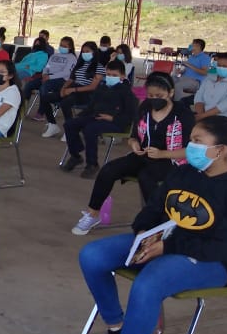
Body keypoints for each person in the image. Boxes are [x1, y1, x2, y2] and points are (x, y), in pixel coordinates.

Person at [73, 116, 227, 334]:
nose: (190, 147)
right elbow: (153, 209)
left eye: (198, 141)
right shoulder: (184, 173)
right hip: (165, 243)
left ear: (221, 150)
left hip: (214, 262)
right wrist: (147, 232)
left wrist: (168, 247)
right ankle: (117, 329)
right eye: (191, 140)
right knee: (93, 255)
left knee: (150, 282)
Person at [71, 72, 194, 235]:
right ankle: (92, 214)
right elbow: (134, 136)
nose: (154, 99)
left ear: (171, 93)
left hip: (170, 160)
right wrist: (134, 143)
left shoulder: (183, 114)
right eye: (150, 95)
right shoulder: (145, 108)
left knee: (146, 177)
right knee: (109, 170)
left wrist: (162, 154)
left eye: (159, 95)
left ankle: (158, 224)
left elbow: (190, 150)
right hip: (143, 155)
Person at [62, 59, 139, 179]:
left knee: (90, 129)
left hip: (116, 122)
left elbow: (131, 115)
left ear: (122, 76)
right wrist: (81, 116)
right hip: (96, 117)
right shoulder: (102, 87)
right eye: (108, 74)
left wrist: (112, 118)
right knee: (70, 124)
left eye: (114, 75)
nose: (110, 77)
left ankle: (92, 164)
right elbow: (91, 106)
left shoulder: (126, 92)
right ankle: (76, 156)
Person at [41, 41, 104, 138]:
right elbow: (71, 79)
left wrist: (72, 90)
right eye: (83, 52)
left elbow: (92, 86)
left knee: (65, 103)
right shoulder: (79, 64)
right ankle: (52, 124)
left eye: (87, 51)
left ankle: (70, 129)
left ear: (94, 52)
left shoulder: (99, 67)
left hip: (86, 93)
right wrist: (63, 88)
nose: (85, 54)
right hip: (72, 88)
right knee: (45, 98)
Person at [28, 35, 77, 123]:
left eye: (65, 46)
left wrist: (49, 77)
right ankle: (23, 107)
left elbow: (66, 72)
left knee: (44, 88)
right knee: (29, 85)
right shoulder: (54, 55)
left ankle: (41, 112)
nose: (62, 47)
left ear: (70, 47)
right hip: (47, 76)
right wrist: (44, 74)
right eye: (61, 45)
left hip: (61, 79)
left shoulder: (72, 58)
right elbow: (47, 66)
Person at [193, 49, 227, 122]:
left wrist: (203, 116)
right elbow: (199, 96)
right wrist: (201, 115)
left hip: (226, 120)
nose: (221, 68)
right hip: (204, 116)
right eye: (219, 65)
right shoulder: (209, 78)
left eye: (225, 66)